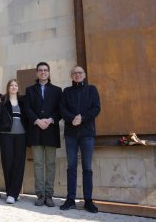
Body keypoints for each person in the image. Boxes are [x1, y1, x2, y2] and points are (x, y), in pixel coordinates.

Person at [60, 66, 101, 213]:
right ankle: (70, 199)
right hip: (71, 134)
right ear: (71, 76)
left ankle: (88, 200)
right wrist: (72, 119)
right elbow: (62, 109)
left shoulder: (92, 90)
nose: (77, 75)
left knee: (87, 168)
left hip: (87, 133)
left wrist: (82, 118)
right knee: (71, 167)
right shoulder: (66, 91)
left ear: (84, 75)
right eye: (75, 73)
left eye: (80, 73)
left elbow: (96, 108)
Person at [25, 62, 62, 207]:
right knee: (38, 164)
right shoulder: (30, 90)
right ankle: (40, 194)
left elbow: (60, 109)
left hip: (51, 130)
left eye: (45, 70)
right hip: (35, 131)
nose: (43, 72)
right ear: (36, 73)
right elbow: (27, 108)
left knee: (51, 164)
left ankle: (49, 195)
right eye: (40, 70)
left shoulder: (57, 90)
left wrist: (50, 120)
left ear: (49, 72)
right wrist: (36, 120)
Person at [0, 79, 28, 204]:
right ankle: (11, 192)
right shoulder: (3, 101)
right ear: (8, 88)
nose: (14, 87)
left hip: (21, 136)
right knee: (7, 163)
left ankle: (14, 192)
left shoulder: (23, 102)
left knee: (19, 164)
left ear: (18, 88)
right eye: (11, 85)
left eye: (16, 85)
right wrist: (0, 130)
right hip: (6, 136)